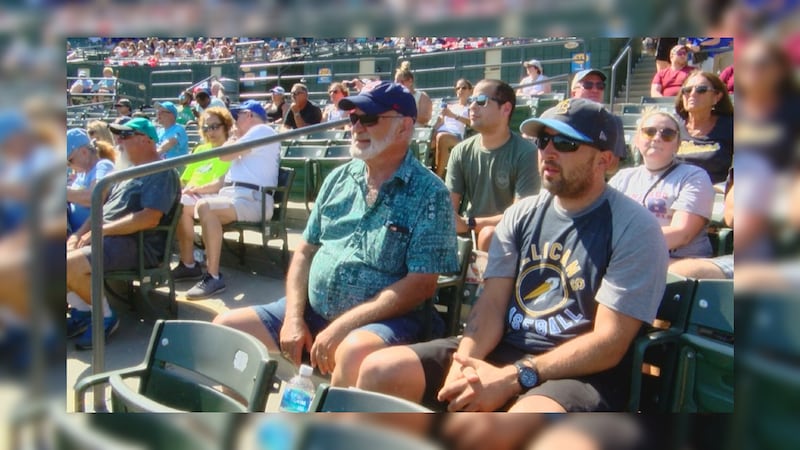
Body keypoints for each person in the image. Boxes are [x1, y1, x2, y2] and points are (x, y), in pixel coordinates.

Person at [356, 98, 668, 412]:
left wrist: (514, 378)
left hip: (578, 374)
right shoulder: (521, 214)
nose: (548, 151)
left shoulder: (635, 227)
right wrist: (465, 362)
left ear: (605, 161)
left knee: (501, 427)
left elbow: (609, 343)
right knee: (379, 372)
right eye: (542, 140)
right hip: (505, 352)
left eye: (565, 143)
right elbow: (491, 304)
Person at [213, 82, 458, 387]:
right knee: (224, 329)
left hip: (387, 322)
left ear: (404, 128)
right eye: (353, 118)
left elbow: (421, 285)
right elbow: (304, 251)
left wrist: (342, 327)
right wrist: (293, 317)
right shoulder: (338, 179)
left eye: (368, 118)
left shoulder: (430, 193)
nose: (357, 127)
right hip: (314, 312)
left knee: (353, 353)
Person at [66, 118, 180, 350]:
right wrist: (78, 234)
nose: (118, 141)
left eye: (125, 136)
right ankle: (82, 311)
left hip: (136, 244)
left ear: (146, 140)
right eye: (117, 136)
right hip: (111, 240)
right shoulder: (127, 173)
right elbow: (100, 210)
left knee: (68, 263)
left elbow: (149, 218)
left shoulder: (161, 171)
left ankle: (104, 317)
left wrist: (101, 231)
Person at [183, 100, 281, 299]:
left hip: (254, 200)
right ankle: (188, 263)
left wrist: (233, 138)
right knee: (183, 204)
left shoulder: (262, 129)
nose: (235, 121)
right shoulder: (246, 141)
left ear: (250, 115)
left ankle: (213, 276)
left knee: (204, 206)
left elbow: (223, 155)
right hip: (235, 198)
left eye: (239, 116)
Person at [609, 110, 714, 265]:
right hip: (628, 259)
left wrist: (622, 246)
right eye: (649, 132)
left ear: (677, 145)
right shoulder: (622, 178)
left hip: (677, 263)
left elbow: (681, 234)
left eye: (667, 134)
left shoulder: (693, 176)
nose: (657, 138)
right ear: (637, 140)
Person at [445, 79, 539, 251]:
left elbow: (520, 217)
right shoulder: (460, 151)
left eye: (481, 101)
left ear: (506, 109)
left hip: (509, 241)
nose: (472, 107)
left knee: (488, 234)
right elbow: (448, 213)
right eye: (471, 100)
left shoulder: (527, 153)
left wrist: (469, 224)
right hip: (468, 238)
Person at [170, 107, 234, 282]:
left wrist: (195, 190)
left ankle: (189, 263)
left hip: (215, 196)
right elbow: (185, 180)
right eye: (206, 128)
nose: (210, 132)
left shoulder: (230, 149)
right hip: (192, 195)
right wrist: (182, 191)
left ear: (226, 126)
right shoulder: (200, 149)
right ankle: (188, 262)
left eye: (215, 126)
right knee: (175, 203)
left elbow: (219, 184)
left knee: (180, 205)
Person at [675, 71, 734, 185]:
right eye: (687, 90)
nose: (692, 94)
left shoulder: (732, 126)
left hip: (717, 194)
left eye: (701, 89)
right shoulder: (671, 126)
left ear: (717, 96)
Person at [66, 128, 117, 232]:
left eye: (70, 161)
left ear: (84, 152)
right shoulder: (81, 173)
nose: (69, 166)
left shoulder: (103, 166)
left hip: (92, 238)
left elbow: (95, 197)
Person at [432, 78, 472, 178]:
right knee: (423, 142)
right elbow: (440, 123)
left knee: (442, 137)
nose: (460, 90)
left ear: (470, 91)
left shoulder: (470, 108)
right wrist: (438, 119)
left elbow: (472, 123)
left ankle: (438, 176)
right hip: (441, 132)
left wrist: (454, 116)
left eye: (464, 88)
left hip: (456, 136)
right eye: (458, 88)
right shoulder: (450, 106)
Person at [395, 61, 432, 126]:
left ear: (410, 81)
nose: (398, 85)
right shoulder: (394, 98)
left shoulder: (421, 96)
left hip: (416, 131)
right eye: (396, 83)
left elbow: (425, 118)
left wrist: (407, 113)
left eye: (401, 82)